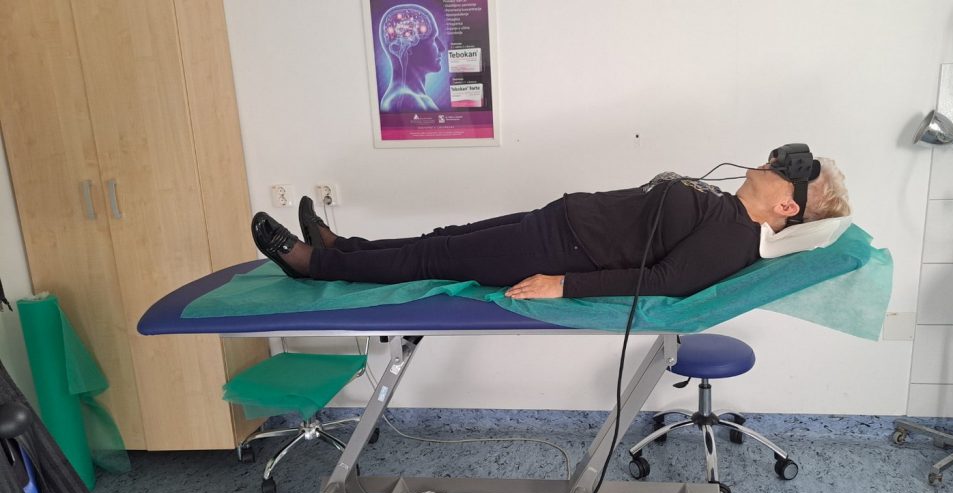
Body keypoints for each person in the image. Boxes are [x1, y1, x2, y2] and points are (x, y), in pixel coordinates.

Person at [251, 157, 850, 300]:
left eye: (789, 170)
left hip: (562, 248)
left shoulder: (736, 238)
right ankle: (343, 246)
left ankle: (312, 264)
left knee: (432, 260)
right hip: (560, 221)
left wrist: (562, 285)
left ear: (787, 206)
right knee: (443, 239)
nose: (775, 161)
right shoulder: (726, 206)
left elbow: (667, 281)